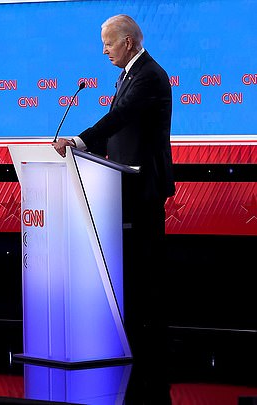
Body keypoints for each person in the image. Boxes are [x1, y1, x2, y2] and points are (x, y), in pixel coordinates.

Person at [53, 15, 175, 361]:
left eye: (108, 43)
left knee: (146, 263)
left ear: (127, 42)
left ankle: (153, 343)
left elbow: (119, 117)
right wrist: (89, 149)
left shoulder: (149, 75)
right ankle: (135, 336)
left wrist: (79, 140)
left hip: (144, 184)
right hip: (125, 182)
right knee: (133, 263)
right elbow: (120, 129)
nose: (103, 50)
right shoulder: (128, 75)